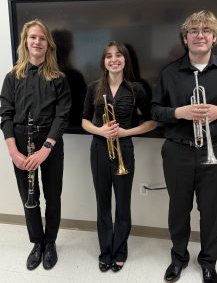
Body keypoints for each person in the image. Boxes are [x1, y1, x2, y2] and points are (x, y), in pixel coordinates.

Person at [151, 10, 217, 283]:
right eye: (193, 31)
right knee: (178, 210)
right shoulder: (169, 72)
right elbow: (155, 110)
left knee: (213, 211)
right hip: (178, 150)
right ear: (185, 38)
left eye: (206, 30)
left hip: (216, 148)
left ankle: (208, 261)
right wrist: (178, 113)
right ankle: (178, 258)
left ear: (215, 37)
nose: (200, 35)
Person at [0, 19, 71, 270]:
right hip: (20, 143)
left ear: (48, 44)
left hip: (49, 143)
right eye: (33, 37)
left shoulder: (58, 78)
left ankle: (50, 243)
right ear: (25, 42)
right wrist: (13, 152)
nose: (37, 42)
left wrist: (46, 148)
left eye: (42, 38)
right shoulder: (12, 77)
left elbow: (62, 115)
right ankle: (37, 243)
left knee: (53, 195)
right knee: (29, 196)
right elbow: (5, 115)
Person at [82, 41, 156, 272]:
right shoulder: (94, 87)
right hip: (98, 150)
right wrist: (100, 130)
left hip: (124, 148)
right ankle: (105, 251)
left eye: (118, 55)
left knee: (123, 204)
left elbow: (153, 121)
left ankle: (120, 250)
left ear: (125, 59)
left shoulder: (137, 89)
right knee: (102, 203)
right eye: (108, 56)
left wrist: (127, 131)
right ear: (103, 61)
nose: (113, 59)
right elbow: (84, 120)